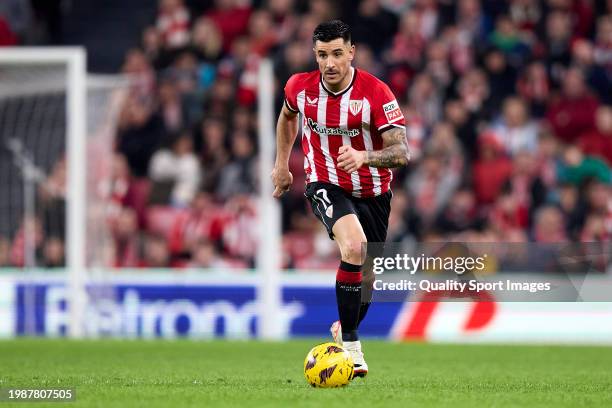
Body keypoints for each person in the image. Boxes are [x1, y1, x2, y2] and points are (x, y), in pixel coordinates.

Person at [271, 20, 410, 377]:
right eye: (321, 55)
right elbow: (288, 118)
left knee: (366, 278)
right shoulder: (299, 88)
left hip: (374, 191)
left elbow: (401, 152)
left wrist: (365, 157)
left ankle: (343, 327)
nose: (329, 63)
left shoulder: (376, 93)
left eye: (336, 53)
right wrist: (282, 165)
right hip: (325, 182)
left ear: (351, 52)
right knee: (354, 247)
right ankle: (351, 348)